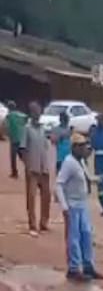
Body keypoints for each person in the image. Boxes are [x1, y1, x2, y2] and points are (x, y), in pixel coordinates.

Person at [55, 137, 103, 283]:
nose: (85, 149)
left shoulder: (80, 161)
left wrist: (100, 179)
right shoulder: (69, 162)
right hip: (72, 205)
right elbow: (59, 184)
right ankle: (74, 268)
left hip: (82, 203)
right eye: (82, 146)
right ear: (75, 147)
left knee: (86, 234)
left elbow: (88, 178)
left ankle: (88, 265)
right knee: (74, 237)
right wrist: (64, 206)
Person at [19, 102, 52, 237]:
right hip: (32, 168)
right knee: (31, 198)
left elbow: (46, 147)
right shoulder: (26, 129)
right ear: (30, 113)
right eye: (34, 111)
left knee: (47, 196)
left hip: (44, 168)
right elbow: (22, 149)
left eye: (39, 111)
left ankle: (43, 222)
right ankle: (32, 224)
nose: (37, 114)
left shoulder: (43, 129)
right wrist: (27, 164)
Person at [4, 101, 27, 179]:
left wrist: (8, 134)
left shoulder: (9, 116)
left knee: (13, 157)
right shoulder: (21, 115)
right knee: (23, 156)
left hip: (14, 139)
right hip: (21, 138)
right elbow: (26, 119)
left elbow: (6, 126)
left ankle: (14, 173)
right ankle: (29, 169)